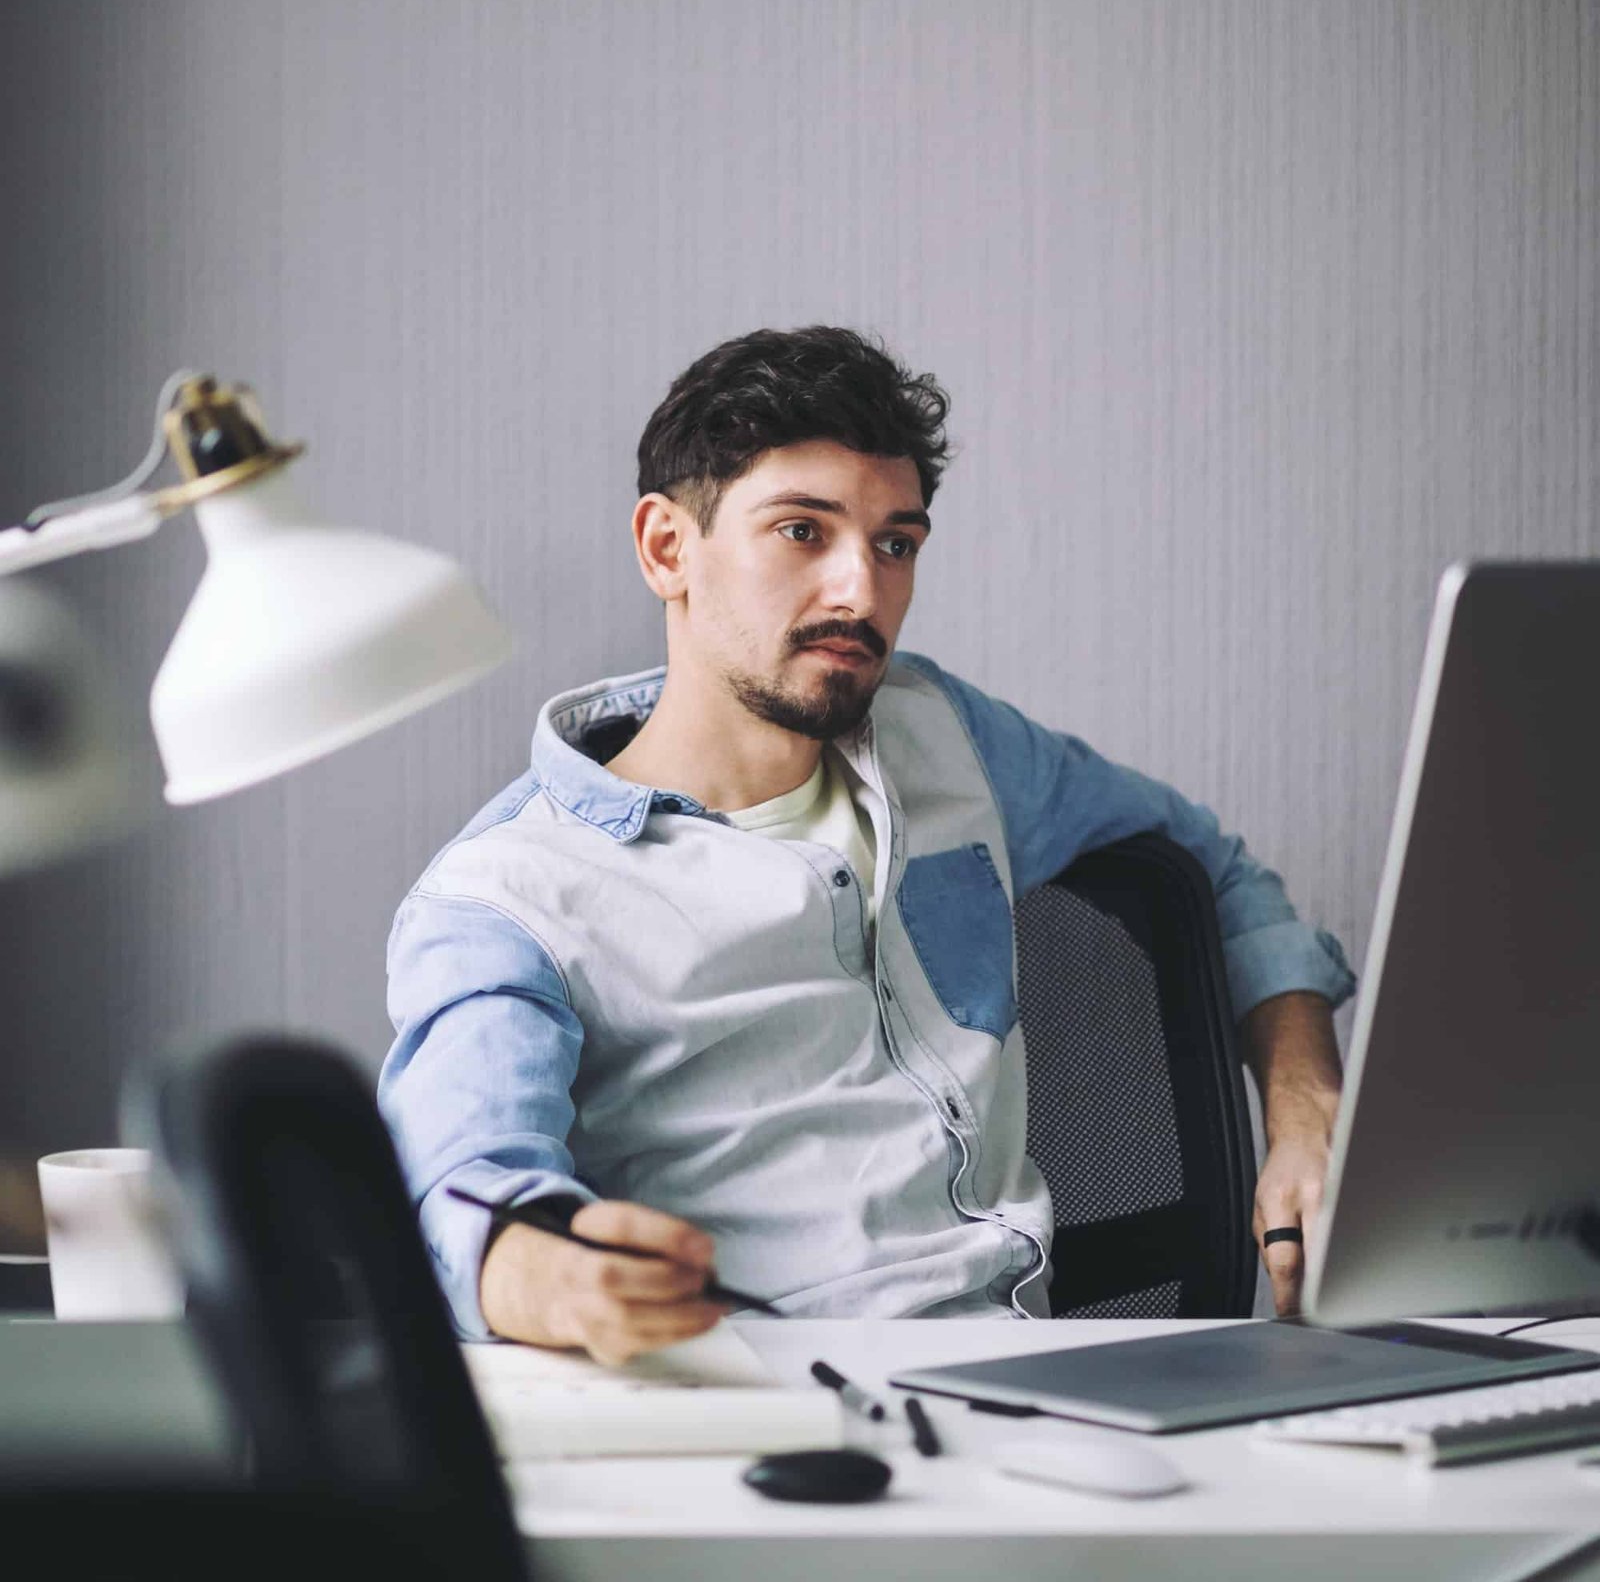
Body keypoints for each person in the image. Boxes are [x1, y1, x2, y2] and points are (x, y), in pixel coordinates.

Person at [380, 326, 1355, 1364]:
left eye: (895, 543)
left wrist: (1305, 1108)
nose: (860, 590)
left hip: (1043, 1381)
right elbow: (462, 1191)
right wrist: (546, 1269)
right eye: (803, 531)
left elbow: (1209, 866)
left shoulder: (946, 736)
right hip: (765, 1423)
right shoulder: (507, 897)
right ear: (669, 548)